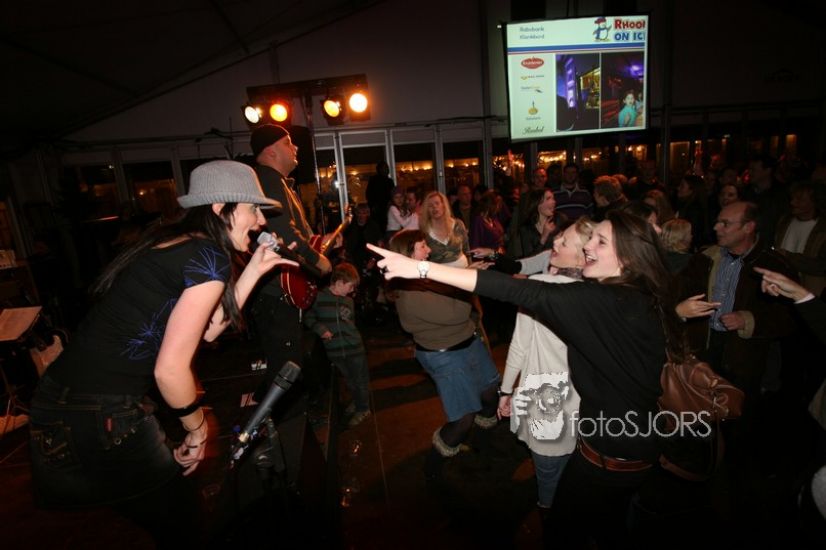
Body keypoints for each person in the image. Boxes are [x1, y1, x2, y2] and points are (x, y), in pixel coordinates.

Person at [369, 209, 684, 548]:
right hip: (634, 443)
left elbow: (521, 292)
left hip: (611, 452)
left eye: (601, 241)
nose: (588, 245)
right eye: (589, 238)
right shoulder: (638, 293)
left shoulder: (602, 301)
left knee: (566, 530)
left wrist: (422, 269)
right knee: (611, 523)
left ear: (628, 258)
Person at [28, 160, 297, 546]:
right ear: (220, 208)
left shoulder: (179, 243)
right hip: (99, 409)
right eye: (253, 209)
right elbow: (170, 371)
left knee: (171, 520)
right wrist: (197, 428)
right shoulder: (208, 257)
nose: (261, 221)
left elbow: (208, 331)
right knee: (185, 525)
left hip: (69, 401)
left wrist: (254, 270)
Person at [497, 218, 595, 520]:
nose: (555, 243)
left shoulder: (538, 290)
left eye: (564, 242)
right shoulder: (599, 294)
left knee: (548, 475)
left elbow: (519, 347)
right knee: (575, 469)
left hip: (546, 405)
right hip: (586, 404)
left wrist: (505, 391)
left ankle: (550, 520)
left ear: (582, 256)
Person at [387, 229, 500, 483]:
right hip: (445, 355)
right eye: (422, 246)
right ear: (407, 254)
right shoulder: (408, 288)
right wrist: (470, 279)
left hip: (467, 342)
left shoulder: (423, 274)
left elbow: (449, 290)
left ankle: (483, 446)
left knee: (490, 394)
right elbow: (458, 312)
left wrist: (467, 272)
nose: (429, 250)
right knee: (463, 419)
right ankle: (433, 468)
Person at [248, 125, 333, 402]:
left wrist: (319, 243)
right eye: (287, 143)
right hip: (275, 292)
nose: (295, 147)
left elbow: (296, 231)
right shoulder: (268, 179)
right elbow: (283, 231)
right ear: (270, 151)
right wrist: (316, 259)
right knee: (283, 366)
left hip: (278, 290)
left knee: (286, 359)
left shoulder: (277, 181)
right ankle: (269, 418)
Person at [304, 263, 371, 427]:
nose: (352, 290)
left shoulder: (349, 301)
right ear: (339, 283)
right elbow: (308, 317)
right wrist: (320, 329)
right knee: (349, 380)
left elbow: (350, 324)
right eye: (350, 286)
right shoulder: (318, 298)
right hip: (334, 351)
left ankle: (363, 408)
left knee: (360, 380)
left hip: (355, 348)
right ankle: (358, 401)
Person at [419, 190, 470, 266]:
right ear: (427, 210)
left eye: (437, 203)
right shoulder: (424, 231)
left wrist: (472, 269)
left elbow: (467, 250)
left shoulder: (458, 224)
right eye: (430, 205)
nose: (434, 207)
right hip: (439, 272)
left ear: (443, 205)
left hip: (464, 269)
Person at [366, 161, 395, 233]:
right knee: (378, 228)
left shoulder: (389, 181)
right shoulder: (374, 180)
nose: (387, 170)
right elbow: (369, 194)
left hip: (387, 208)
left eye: (387, 168)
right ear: (379, 169)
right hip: (377, 209)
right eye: (385, 168)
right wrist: (373, 206)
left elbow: (393, 194)